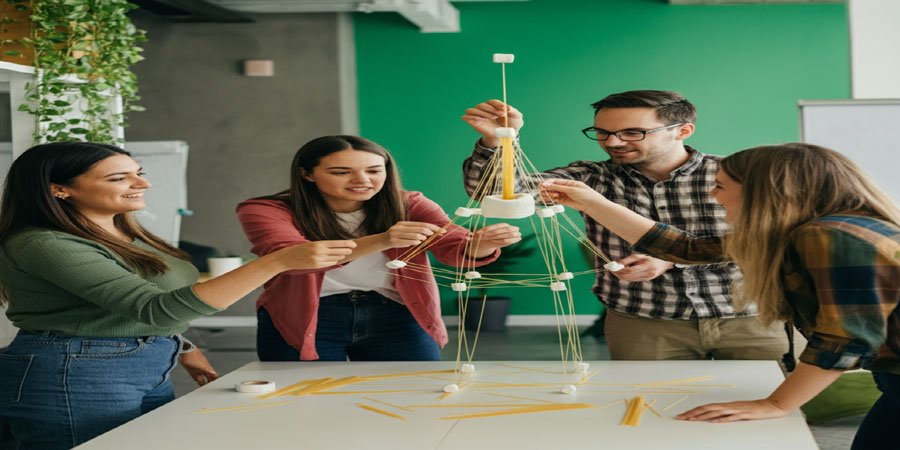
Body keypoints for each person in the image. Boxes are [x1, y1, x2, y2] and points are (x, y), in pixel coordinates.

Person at [0, 142, 357, 450]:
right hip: (74, 371)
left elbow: (138, 306)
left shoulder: (129, 235)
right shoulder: (45, 244)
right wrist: (277, 262)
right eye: (118, 178)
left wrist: (177, 344)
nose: (143, 183)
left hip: (142, 363)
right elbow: (156, 309)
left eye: (138, 172)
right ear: (59, 189)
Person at [541, 143, 899, 449]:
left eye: (721, 186)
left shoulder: (831, 237)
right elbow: (685, 248)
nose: (713, 194)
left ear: (766, 192)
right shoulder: (813, 230)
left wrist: (775, 404)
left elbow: (845, 339)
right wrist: (590, 203)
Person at [461, 90, 788, 361]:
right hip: (643, 324)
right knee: (651, 415)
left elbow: (769, 241)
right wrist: (497, 141)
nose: (613, 142)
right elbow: (493, 190)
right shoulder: (591, 178)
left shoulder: (734, 174)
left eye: (633, 132)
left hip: (751, 319)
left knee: (770, 414)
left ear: (682, 130)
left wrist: (671, 259)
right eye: (602, 132)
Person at [237, 135, 521, 362]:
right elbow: (293, 257)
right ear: (307, 174)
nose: (362, 180)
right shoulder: (264, 209)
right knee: (301, 404)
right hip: (306, 315)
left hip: (396, 313)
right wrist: (383, 239)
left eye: (374, 170)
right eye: (341, 172)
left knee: (411, 399)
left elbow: (453, 246)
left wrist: (483, 245)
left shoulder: (410, 203)